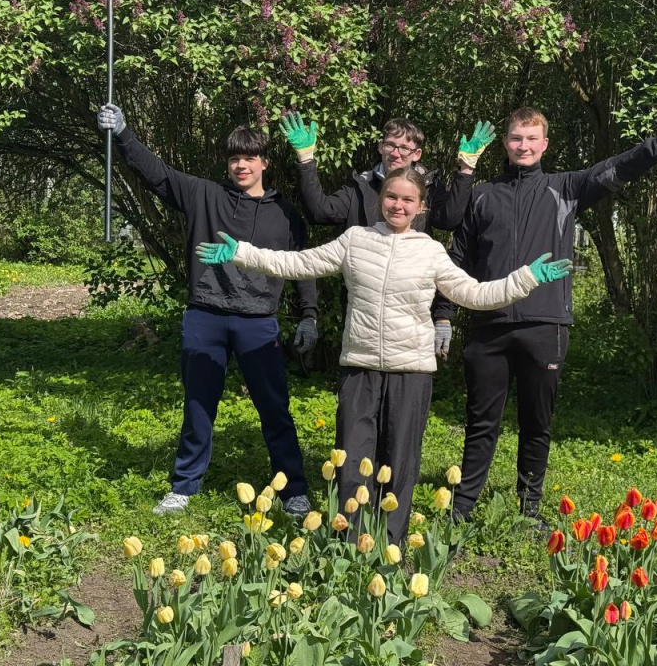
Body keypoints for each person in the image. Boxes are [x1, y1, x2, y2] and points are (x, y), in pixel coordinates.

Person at [194, 166, 571, 544]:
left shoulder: (431, 252)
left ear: (421, 207)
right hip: (360, 367)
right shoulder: (355, 240)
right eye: (392, 197)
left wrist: (526, 277)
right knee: (353, 460)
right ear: (381, 200)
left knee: (400, 462)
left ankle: (390, 544)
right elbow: (298, 263)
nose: (398, 205)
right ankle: (350, 542)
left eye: (408, 199)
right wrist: (241, 252)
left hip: (412, 371)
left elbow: (475, 294)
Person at [443, 107, 657, 526]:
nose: (523, 146)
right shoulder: (482, 195)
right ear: (505, 143)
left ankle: (529, 508)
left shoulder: (566, 188)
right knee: (481, 421)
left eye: (531, 139)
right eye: (516, 138)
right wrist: (442, 315)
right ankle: (463, 507)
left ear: (544, 145)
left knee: (536, 423)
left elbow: (615, 169)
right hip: (488, 324)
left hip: (546, 325)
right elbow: (455, 262)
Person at [97, 103, 318, 517]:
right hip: (206, 316)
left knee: (275, 409)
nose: (241, 165)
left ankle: (293, 491)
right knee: (199, 405)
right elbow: (158, 172)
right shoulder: (204, 195)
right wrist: (124, 133)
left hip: (258, 322)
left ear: (265, 163)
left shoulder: (285, 214)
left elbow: (304, 265)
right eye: (234, 158)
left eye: (249, 158)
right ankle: (183, 486)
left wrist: (309, 314)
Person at [280, 112, 495, 358]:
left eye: (405, 148)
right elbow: (320, 212)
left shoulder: (429, 187)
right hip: (365, 310)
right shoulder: (360, 186)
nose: (396, 153)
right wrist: (306, 161)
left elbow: (449, 220)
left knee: (408, 380)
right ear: (381, 146)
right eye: (391, 145)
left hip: (412, 309)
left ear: (417, 154)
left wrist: (466, 170)